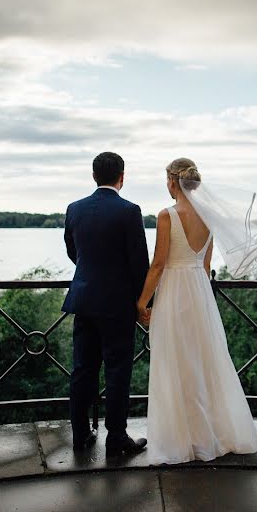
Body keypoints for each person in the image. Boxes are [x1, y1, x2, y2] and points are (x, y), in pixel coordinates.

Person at [136, 158, 257, 465]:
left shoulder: (167, 215)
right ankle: (212, 435)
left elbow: (158, 264)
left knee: (176, 362)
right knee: (205, 361)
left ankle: (183, 440)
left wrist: (142, 301)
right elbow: (206, 266)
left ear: (172, 181)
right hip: (199, 291)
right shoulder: (209, 216)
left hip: (174, 292)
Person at [62, 152, 149, 456]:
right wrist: (143, 303)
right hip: (117, 306)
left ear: (94, 176)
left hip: (84, 300)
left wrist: (91, 275)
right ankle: (116, 438)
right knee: (117, 371)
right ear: (122, 176)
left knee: (82, 370)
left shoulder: (75, 209)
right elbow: (140, 263)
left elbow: (74, 253)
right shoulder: (129, 211)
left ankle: (80, 434)